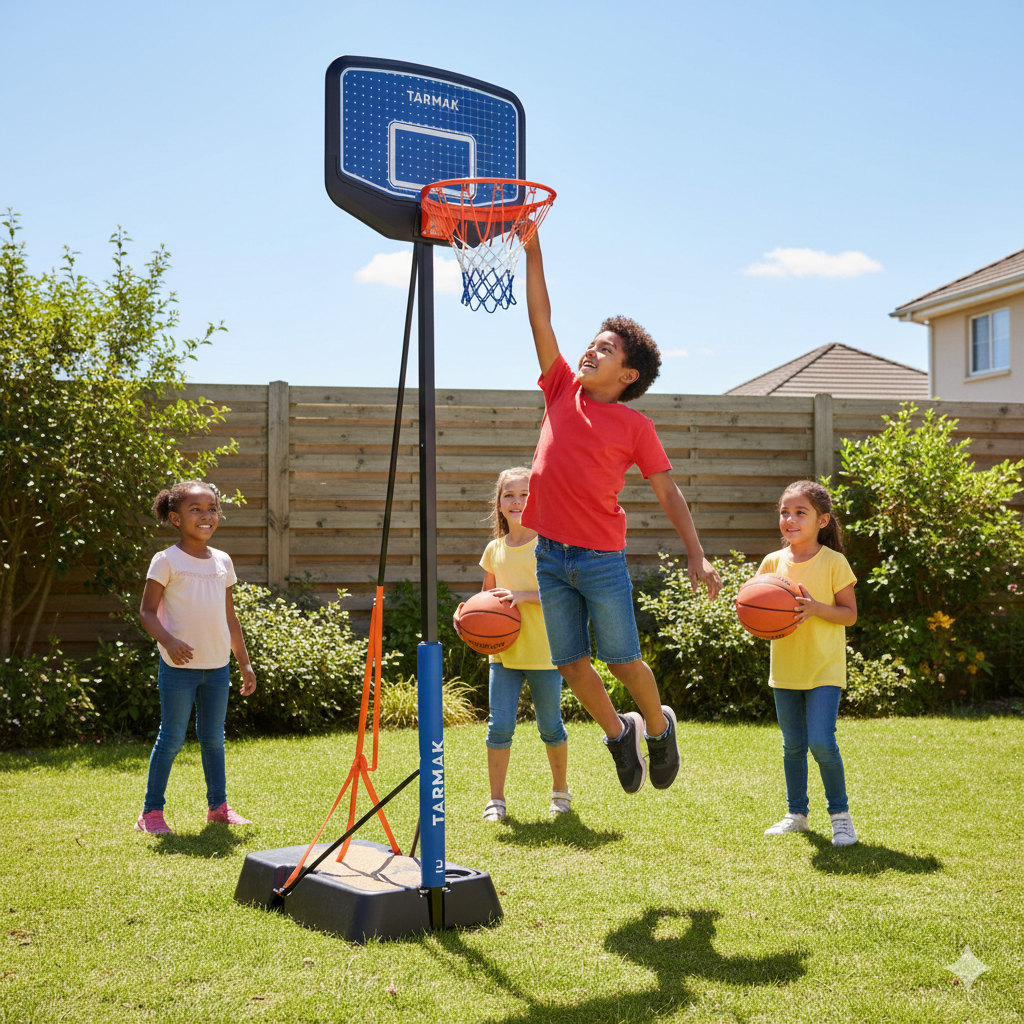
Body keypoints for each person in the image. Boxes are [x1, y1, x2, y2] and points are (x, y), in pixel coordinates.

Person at [520, 231, 721, 795]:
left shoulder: (637, 427)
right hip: (551, 555)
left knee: (624, 661)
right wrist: (534, 251)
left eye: (606, 349)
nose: (591, 349)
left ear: (627, 375)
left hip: (601, 559)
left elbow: (668, 495)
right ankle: (618, 735)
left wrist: (697, 556)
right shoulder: (561, 388)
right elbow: (541, 320)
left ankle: (658, 728)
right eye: (593, 342)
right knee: (570, 665)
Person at [134, 481, 257, 835]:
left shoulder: (222, 561)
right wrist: (169, 642)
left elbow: (229, 617)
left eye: (212, 508)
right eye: (196, 509)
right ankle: (151, 814)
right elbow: (146, 613)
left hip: (217, 667)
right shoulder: (166, 560)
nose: (207, 515)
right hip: (178, 670)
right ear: (175, 518)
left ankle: (218, 808)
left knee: (213, 738)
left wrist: (244, 662)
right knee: (171, 738)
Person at [758, 480, 858, 847]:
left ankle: (840, 816)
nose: (790, 519)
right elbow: (760, 610)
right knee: (793, 745)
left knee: (821, 741)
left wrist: (816, 608)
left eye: (801, 512)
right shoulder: (772, 562)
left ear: (823, 520)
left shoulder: (834, 562)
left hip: (823, 668)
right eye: (785, 511)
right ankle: (796, 814)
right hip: (785, 668)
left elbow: (849, 615)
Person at [473, 467, 570, 822]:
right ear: (498, 504)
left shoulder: (548, 546)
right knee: (499, 727)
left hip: (545, 651)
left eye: (525, 494)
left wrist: (522, 595)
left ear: (537, 499)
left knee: (550, 725)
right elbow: (486, 600)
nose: (517, 502)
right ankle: (495, 801)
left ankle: (560, 792)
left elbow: (563, 595)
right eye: (509, 495)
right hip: (504, 654)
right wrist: (465, 616)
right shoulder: (494, 550)